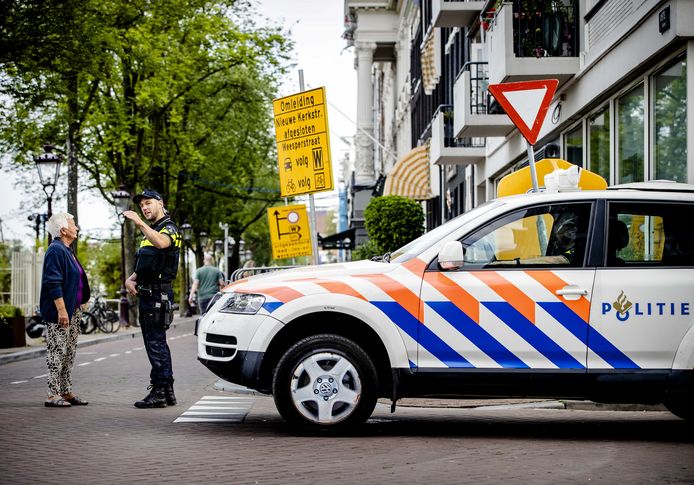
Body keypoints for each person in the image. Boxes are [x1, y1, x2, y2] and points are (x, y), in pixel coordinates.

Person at [123, 189, 181, 408]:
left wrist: (138, 222)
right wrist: (132, 278)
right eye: (141, 206)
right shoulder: (152, 230)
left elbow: (162, 244)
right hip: (148, 293)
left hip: (158, 294)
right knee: (156, 343)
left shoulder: (170, 228)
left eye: (148, 203)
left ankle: (159, 392)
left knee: (156, 344)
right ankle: (166, 391)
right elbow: (148, 263)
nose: (144, 208)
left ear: (160, 203)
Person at [40, 212, 91, 407]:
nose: (76, 228)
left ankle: (66, 391)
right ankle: (52, 395)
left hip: (73, 310)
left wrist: (80, 301)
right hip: (60, 313)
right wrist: (62, 310)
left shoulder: (67, 250)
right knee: (57, 352)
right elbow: (52, 282)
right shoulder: (55, 250)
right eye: (73, 224)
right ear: (63, 230)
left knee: (69, 352)